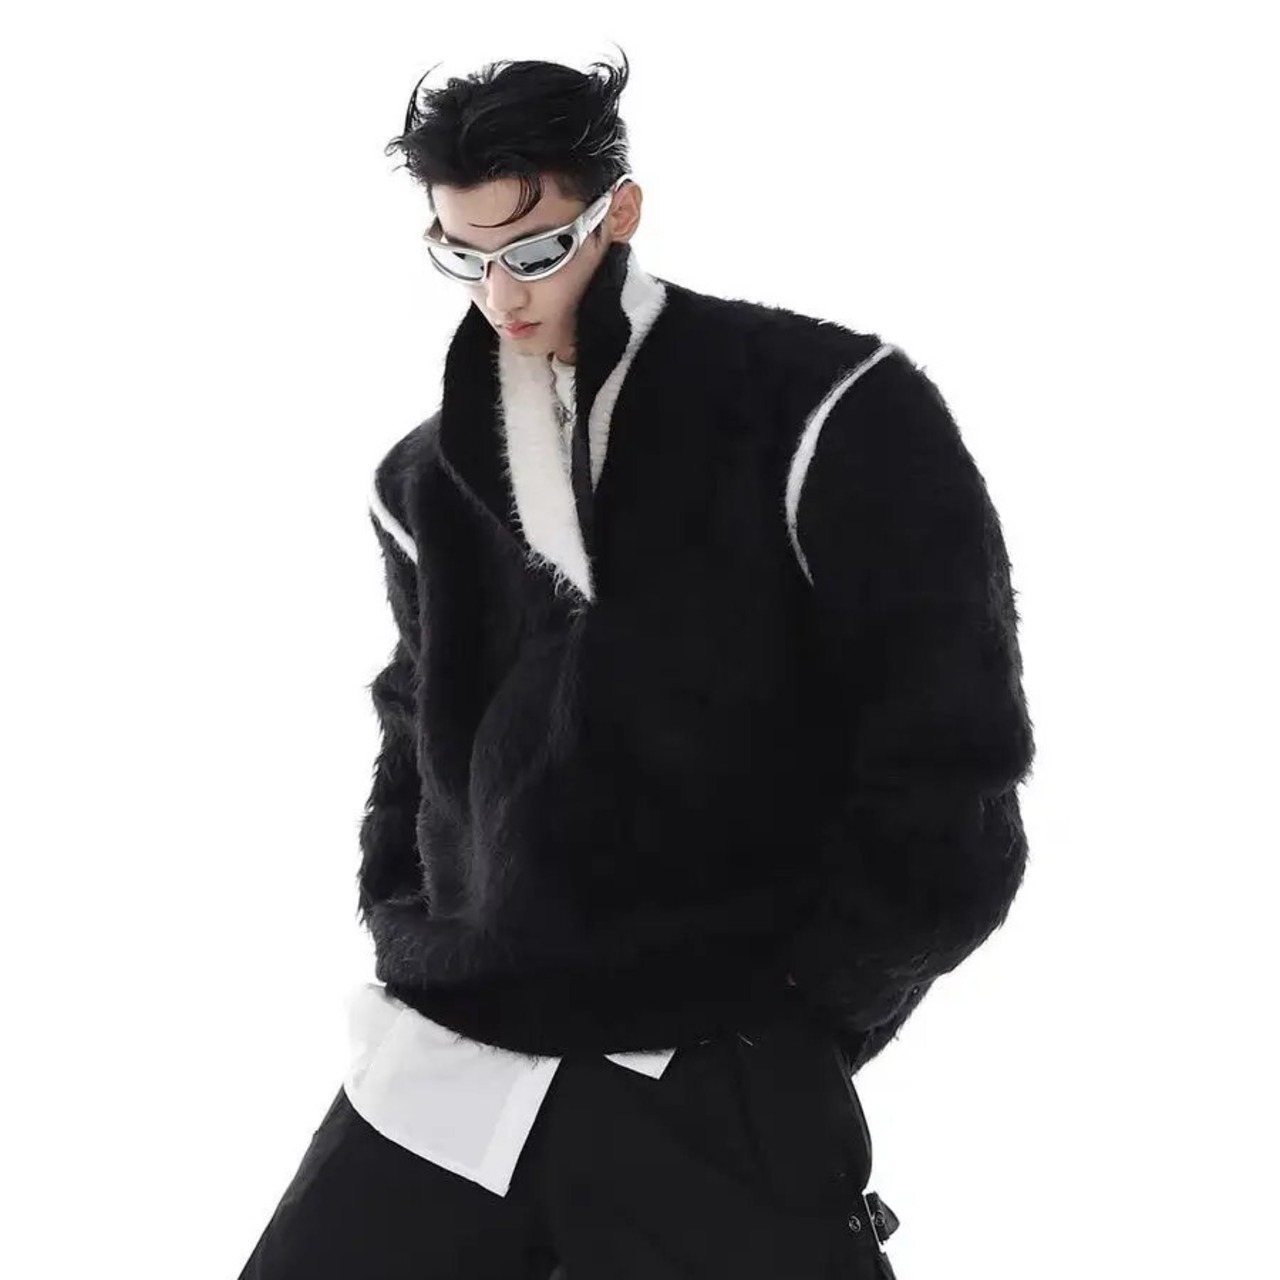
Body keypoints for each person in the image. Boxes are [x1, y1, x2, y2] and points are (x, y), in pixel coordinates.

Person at [238, 46, 1034, 1280]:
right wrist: (407, 918)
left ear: (619, 211)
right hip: (458, 1045)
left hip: (713, 1046)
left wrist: (804, 1004)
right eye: (462, 253)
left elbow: (946, 745)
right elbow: (412, 728)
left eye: (535, 249)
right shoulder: (420, 480)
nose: (499, 293)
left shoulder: (822, 408)